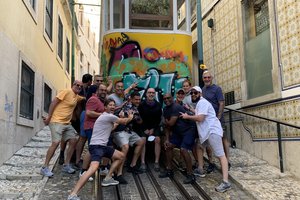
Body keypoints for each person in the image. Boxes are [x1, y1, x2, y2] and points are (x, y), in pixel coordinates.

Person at [67, 99, 134, 200]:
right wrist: (130, 116)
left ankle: (107, 178)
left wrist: (117, 122)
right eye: (110, 105)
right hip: (97, 147)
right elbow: (124, 121)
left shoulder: (105, 117)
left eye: (113, 105)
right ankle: (73, 194)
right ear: (105, 107)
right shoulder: (108, 116)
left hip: (102, 147)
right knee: (93, 169)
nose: (112, 107)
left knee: (121, 156)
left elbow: (109, 129)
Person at [180, 86, 231, 192]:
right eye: (192, 93)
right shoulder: (200, 104)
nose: (193, 94)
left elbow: (200, 118)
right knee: (199, 146)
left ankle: (226, 182)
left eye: (195, 93)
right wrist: (189, 109)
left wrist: (187, 117)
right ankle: (200, 169)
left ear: (200, 94)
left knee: (221, 156)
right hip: (207, 133)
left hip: (212, 131)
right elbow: (198, 113)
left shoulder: (202, 102)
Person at [40, 80, 85, 177]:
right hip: (56, 121)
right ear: (73, 85)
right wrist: (49, 117)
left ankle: (66, 165)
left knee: (74, 140)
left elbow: (85, 98)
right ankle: (45, 167)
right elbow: (54, 102)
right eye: (77, 85)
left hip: (66, 123)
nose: (79, 87)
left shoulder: (76, 97)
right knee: (55, 143)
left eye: (81, 86)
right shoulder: (66, 91)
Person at [160, 93, 196, 184]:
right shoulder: (165, 109)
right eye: (164, 98)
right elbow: (166, 127)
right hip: (178, 133)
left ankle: (190, 175)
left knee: (183, 150)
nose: (166, 100)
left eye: (168, 98)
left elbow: (170, 123)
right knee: (168, 146)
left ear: (172, 98)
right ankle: (169, 170)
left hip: (188, 131)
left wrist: (166, 121)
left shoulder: (175, 107)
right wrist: (167, 139)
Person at [113, 91, 145, 184]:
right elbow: (122, 120)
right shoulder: (126, 106)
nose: (138, 101)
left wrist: (135, 117)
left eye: (139, 99)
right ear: (131, 99)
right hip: (120, 131)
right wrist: (131, 117)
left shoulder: (135, 108)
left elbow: (139, 121)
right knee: (125, 147)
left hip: (129, 131)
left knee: (141, 142)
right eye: (136, 99)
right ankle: (119, 174)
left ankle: (133, 165)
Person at [78, 84, 108, 181]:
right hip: (91, 128)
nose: (103, 91)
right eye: (101, 90)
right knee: (92, 149)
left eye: (105, 90)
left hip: (97, 129)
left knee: (95, 148)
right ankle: (83, 171)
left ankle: (94, 169)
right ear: (97, 91)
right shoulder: (93, 99)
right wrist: (102, 115)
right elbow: (89, 112)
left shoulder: (100, 101)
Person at [202, 70, 230, 171]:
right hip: (207, 121)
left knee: (223, 139)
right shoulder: (203, 90)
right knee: (208, 141)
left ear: (212, 78)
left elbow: (221, 103)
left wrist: (218, 117)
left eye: (208, 77)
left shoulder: (217, 89)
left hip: (218, 119)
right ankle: (211, 162)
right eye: (205, 77)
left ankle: (227, 161)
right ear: (203, 79)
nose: (207, 79)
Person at [138, 88, 162, 172]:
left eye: (152, 93)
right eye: (149, 93)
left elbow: (158, 119)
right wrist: (145, 129)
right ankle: (143, 162)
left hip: (154, 127)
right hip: (143, 126)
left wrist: (152, 129)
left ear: (154, 94)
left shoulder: (158, 105)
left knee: (158, 139)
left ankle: (156, 162)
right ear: (146, 94)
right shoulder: (141, 105)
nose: (151, 94)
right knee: (143, 140)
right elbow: (139, 118)